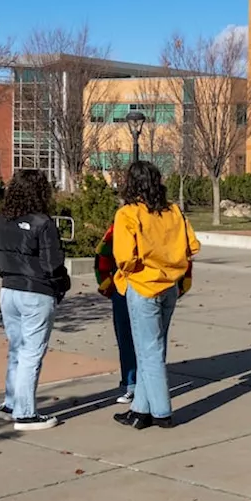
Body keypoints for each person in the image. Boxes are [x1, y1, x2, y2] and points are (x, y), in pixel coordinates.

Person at [112, 160, 200, 430]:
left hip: (143, 285)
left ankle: (161, 410)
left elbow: (124, 257)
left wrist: (133, 270)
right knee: (153, 349)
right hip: (169, 286)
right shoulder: (173, 211)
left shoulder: (128, 213)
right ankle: (140, 409)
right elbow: (192, 246)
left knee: (148, 351)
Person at [0, 169, 71, 431]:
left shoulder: (0, 221)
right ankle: (25, 413)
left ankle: (12, 404)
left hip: (9, 290)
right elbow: (52, 263)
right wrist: (61, 284)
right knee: (32, 353)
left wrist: (5, 271)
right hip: (37, 292)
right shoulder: (43, 223)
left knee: (17, 349)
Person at [93, 222, 136, 405]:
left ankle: (134, 385)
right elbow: (103, 254)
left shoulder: (122, 220)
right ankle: (134, 383)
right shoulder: (169, 217)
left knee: (129, 338)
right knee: (151, 341)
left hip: (128, 288)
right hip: (130, 287)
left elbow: (101, 254)